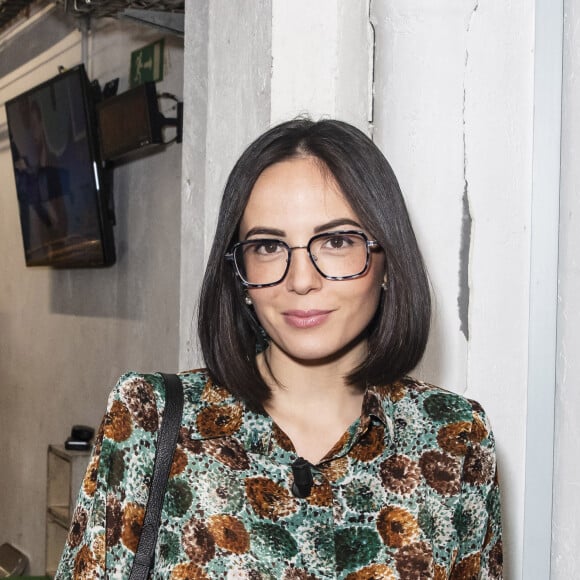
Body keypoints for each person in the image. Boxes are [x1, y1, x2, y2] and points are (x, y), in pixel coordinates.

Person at [56, 119, 502, 579]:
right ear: (240, 275)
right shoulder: (152, 417)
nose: (301, 280)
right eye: (268, 246)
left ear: (387, 262)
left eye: (336, 241)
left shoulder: (454, 435)